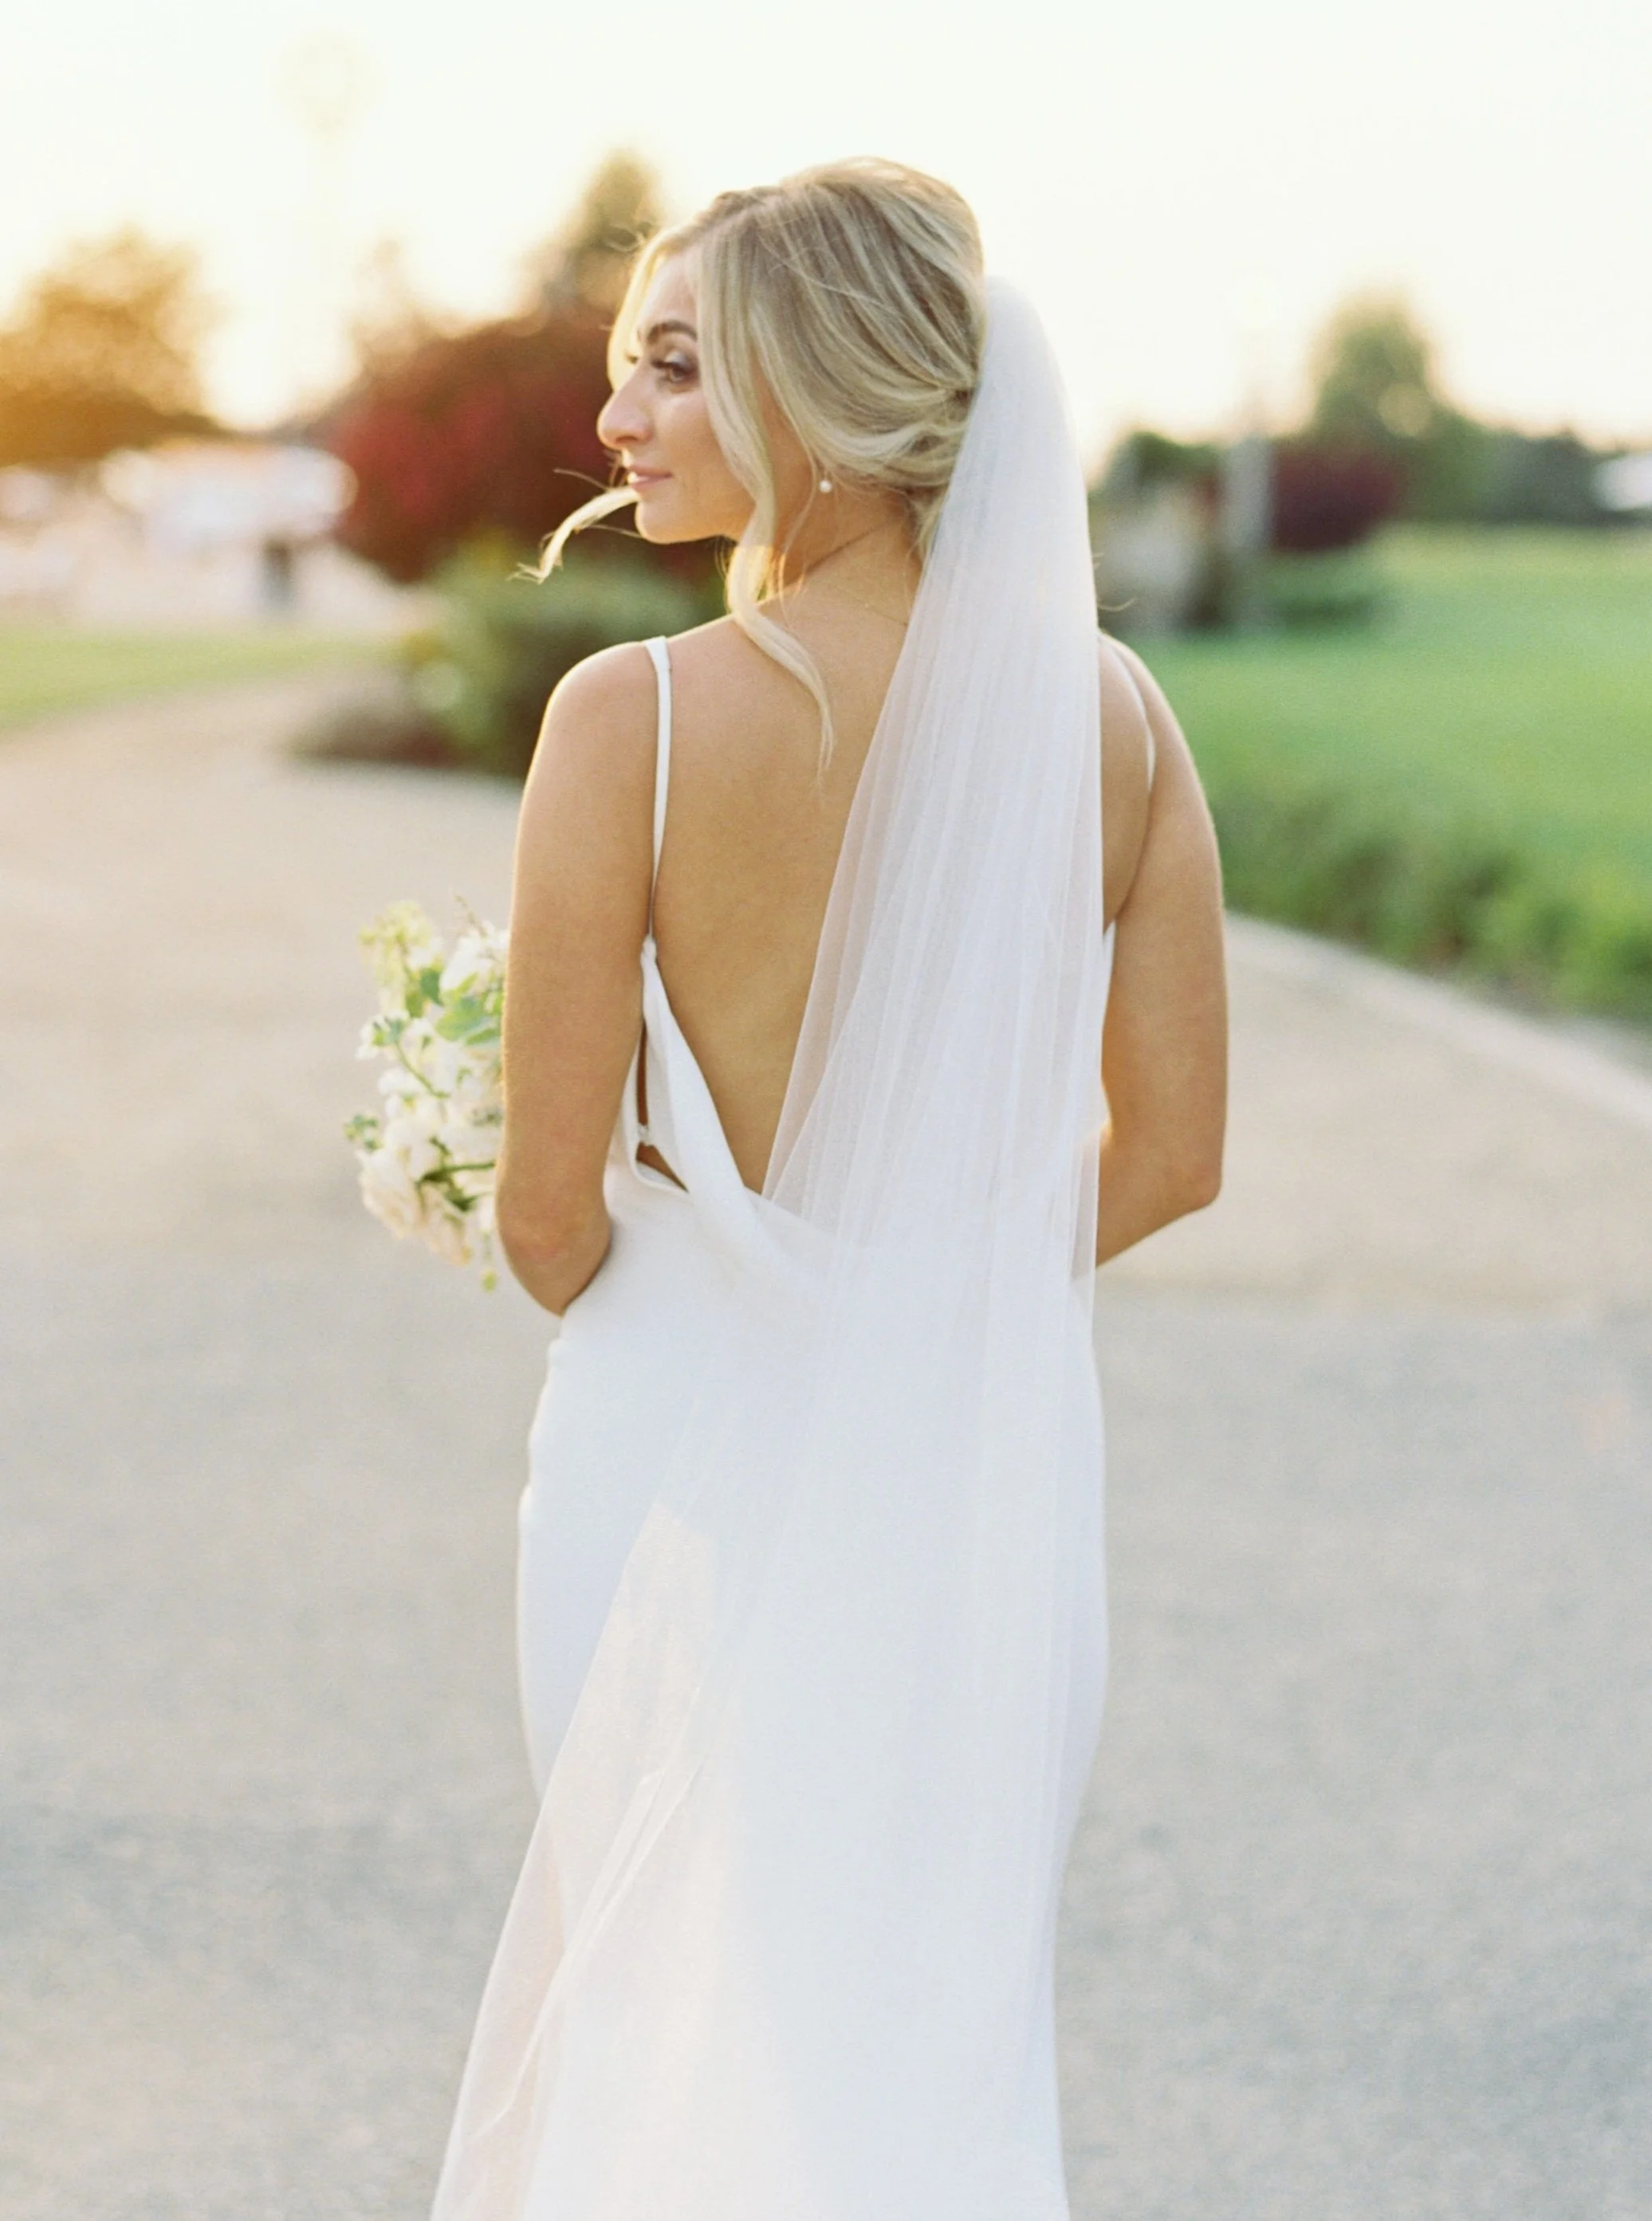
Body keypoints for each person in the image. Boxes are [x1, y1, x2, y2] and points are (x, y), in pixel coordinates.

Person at [432, 159, 1226, 2221]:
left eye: (676, 369)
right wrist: (923, 1290)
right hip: (968, 1481)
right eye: (623, 373)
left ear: (827, 388)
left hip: (665, 1459)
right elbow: (1176, 1153)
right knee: (919, 2033)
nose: (617, 425)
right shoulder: (1122, 727)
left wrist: (705, 1267)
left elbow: (541, 1220)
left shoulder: (631, 723)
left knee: (667, 2005)